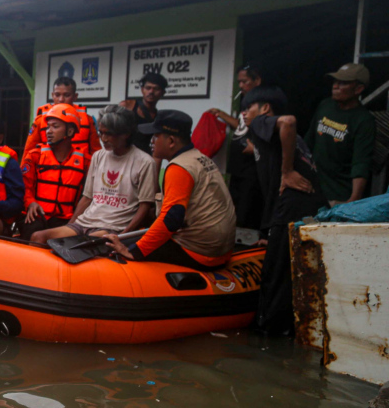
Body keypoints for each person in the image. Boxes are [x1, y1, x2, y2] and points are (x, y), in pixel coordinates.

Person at [241, 86, 326, 334]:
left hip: (292, 205)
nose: (244, 114)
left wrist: (287, 172)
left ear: (265, 109)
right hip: (307, 208)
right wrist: (269, 234)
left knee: (275, 278)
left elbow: (288, 121)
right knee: (293, 274)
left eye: (248, 109)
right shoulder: (270, 138)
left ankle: (269, 337)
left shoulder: (260, 124)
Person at [105, 110, 236, 270]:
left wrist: (135, 251)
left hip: (200, 252)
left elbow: (172, 219)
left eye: (156, 136)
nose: (151, 141)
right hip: (221, 248)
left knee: (117, 250)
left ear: (171, 141)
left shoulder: (179, 168)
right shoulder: (199, 158)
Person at [30, 105, 156, 244]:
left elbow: (144, 206)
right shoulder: (98, 156)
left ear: (125, 134)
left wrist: (123, 236)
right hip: (85, 222)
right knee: (38, 237)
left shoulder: (145, 162)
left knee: (83, 245)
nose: (103, 138)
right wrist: (69, 226)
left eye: (109, 134)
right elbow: (87, 198)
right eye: (101, 133)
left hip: (112, 228)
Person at [304, 63, 376, 205]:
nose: (335, 86)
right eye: (335, 81)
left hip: (339, 196)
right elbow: (308, 141)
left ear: (358, 89)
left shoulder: (364, 120)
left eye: (343, 83)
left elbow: (361, 163)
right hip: (313, 189)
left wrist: (354, 200)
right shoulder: (325, 105)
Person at [208, 64, 265, 229]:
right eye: (239, 82)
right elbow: (242, 126)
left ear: (257, 80)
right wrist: (222, 115)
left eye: (244, 81)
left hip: (252, 168)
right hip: (238, 167)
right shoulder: (247, 102)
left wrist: (256, 149)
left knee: (248, 209)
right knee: (236, 206)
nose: (240, 86)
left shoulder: (262, 104)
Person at [20, 103, 89, 240]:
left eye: (55, 127)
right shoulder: (35, 155)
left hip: (67, 220)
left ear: (70, 131)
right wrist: (30, 202)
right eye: (48, 127)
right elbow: (24, 186)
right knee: (32, 232)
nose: (48, 131)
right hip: (36, 215)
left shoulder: (86, 161)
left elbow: (88, 196)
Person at [24, 77, 102, 159]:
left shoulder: (87, 119)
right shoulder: (40, 120)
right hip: (48, 168)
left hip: (79, 168)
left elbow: (96, 153)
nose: (61, 99)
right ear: (52, 95)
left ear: (75, 96)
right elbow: (28, 153)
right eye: (57, 95)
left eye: (66, 95)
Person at [120, 72, 168, 155]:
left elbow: (158, 149)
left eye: (156, 89)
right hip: (124, 156)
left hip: (145, 159)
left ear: (163, 92)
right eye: (148, 88)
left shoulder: (159, 117)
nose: (151, 92)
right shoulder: (127, 106)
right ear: (142, 89)